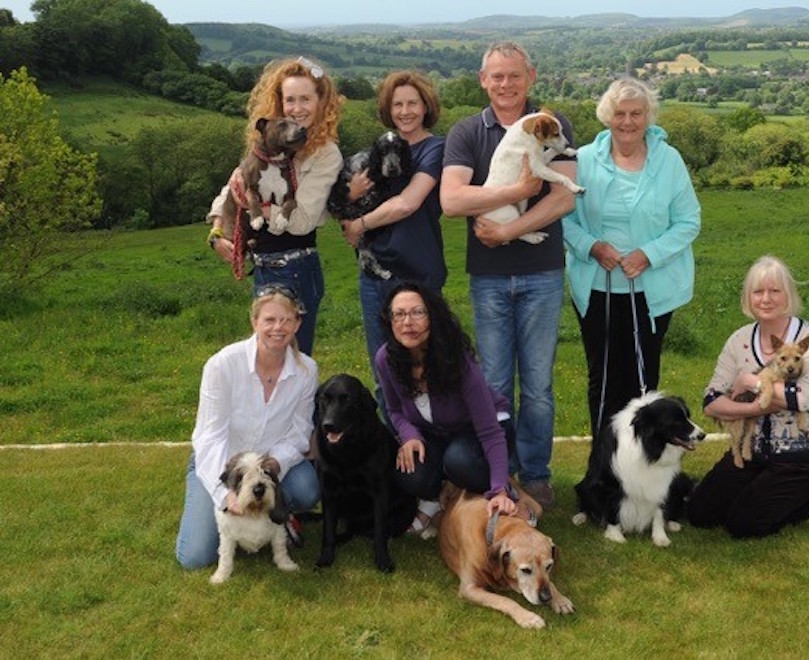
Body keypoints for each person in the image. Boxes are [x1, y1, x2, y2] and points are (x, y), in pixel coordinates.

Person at [439, 41, 578, 510]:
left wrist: (508, 229)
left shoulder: (552, 125)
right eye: (496, 76)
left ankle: (535, 477)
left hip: (541, 272)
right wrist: (518, 190)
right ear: (483, 80)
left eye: (514, 75)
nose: (505, 84)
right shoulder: (466, 132)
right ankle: (497, 477)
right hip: (489, 278)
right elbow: (452, 201)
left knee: (537, 384)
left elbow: (564, 198)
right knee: (494, 382)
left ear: (530, 77)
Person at [563, 77, 701, 439]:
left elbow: (689, 221)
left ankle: (643, 464)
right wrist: (593, 247)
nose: (628, 122)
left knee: (643, 381)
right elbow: (562, 217)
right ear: (607, 116)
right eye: (620, 113)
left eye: (636, 114)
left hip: (651, 290)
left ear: (648, 116)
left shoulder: (669, 160)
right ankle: (603, 466)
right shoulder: (583, 159)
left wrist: (647, 255)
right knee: (604, 378)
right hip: (596, 287)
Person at [687, 255, 809, 539]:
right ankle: (762, 487)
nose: (765, 299)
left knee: (743, 525)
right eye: (758, 291)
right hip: (752, 452)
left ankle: (805, 501)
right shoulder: (739, 339)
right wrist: (756, 407)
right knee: (699, 513)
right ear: (748, 297)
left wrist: (749, 382)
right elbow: (711, 401)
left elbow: (803, 398)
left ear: (788, 295)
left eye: (775, 291)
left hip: (803, 455)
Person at [176, 285, 321, 569]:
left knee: (306, 489)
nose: (278, 328)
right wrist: (225, 494)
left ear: (298, 323)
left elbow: (300, 432)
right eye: (269, 320)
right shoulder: (222, 365)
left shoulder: (307, 370)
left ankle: (277, 517)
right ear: (254, 322)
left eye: (287, 320)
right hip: (221, 465)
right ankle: (243, 517)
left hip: (271, 464)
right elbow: (210, 437)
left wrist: (274, 464)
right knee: (194, 557)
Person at [206, 55, 343, 356]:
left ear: (322, 102)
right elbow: (232, 188)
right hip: (265, 267)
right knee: (267, 363)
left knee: (293, 365)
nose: (297, 108)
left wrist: (258, 207)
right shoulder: (270, 144)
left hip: (295, 266)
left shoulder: (325, 154)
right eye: (289, 99)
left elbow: (302, 220)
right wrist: (217, 231)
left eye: (305, 99)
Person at [374, 282, 524, 534]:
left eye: (417, 312)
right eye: (398, 314)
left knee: (460, 462)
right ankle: (438, 497)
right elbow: (395, 410)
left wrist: (498, 488)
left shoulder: (456, 358)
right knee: (408, 472)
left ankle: (508, 489)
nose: (407, 322)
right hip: (436, 432)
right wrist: (410, 436)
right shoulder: (386, 359)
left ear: (433, 316)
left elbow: (489, 430)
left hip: (481, 429)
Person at [339, 70, 447, 405]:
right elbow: (344, 198)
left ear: (426, 106)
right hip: (374, 275)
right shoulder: (377, 151)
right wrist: (350, 199)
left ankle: (430, 452)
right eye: (397, 104)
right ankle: (394, 452)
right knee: (383, 372)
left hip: (417, 273)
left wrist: (360, 225)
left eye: (412, 103)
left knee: (426, 370)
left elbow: (407, 203)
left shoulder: (435, 149)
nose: (405, 111)